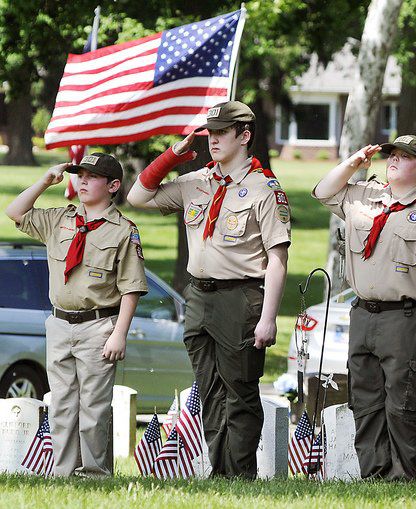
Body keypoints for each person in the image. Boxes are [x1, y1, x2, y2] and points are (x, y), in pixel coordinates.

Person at [127, 101, 290, 478]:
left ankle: (240, 474)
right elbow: (138, 197)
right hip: (198, 297)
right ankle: (220, 471)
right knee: (210, 391)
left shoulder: (264, 189)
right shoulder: (196, 181)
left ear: (244, 136)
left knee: (241, 391)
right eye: (209, 133)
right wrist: (172, 156)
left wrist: (268, 319)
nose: (212, 140)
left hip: (242, 297)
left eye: (221, 133)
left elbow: (277, 259)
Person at [312, 135, 416, 480]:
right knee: (364, 398)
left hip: (406, 316)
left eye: (404, 157)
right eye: (392, 154)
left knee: (403, 400)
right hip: (363, 312)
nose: (393, 160)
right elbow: (323, 191)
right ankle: (374, 473)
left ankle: (403, 475)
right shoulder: (366, 194)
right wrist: (353, 163)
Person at [6, 153, 147, 477]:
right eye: (79, 174)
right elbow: (15, 211)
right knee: (62, 405)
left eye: (91, 176)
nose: (82, 180)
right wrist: (45, 181)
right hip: (59, 323)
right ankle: (64, 474)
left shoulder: (123, 231)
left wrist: (119, 333)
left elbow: (132, 287)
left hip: (98, 326)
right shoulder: (60, 219)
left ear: (113, 186)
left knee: (94, 408)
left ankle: (95, 476)